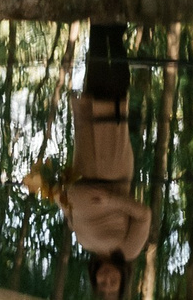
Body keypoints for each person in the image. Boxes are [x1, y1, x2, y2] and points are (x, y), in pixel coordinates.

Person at [24, 22, 150, 296]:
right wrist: (111, 200)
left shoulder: (84, 243)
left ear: (94, 278)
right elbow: (144, 215)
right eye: (112, 284)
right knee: (112, 99)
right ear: (122, 279)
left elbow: (69, 210)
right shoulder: (128, 250)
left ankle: (99, 23)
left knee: (93, 92)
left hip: (83, 163)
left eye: (101, 284)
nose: (106, 279)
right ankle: (115, 26)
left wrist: (51, 190)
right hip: (111, 170)